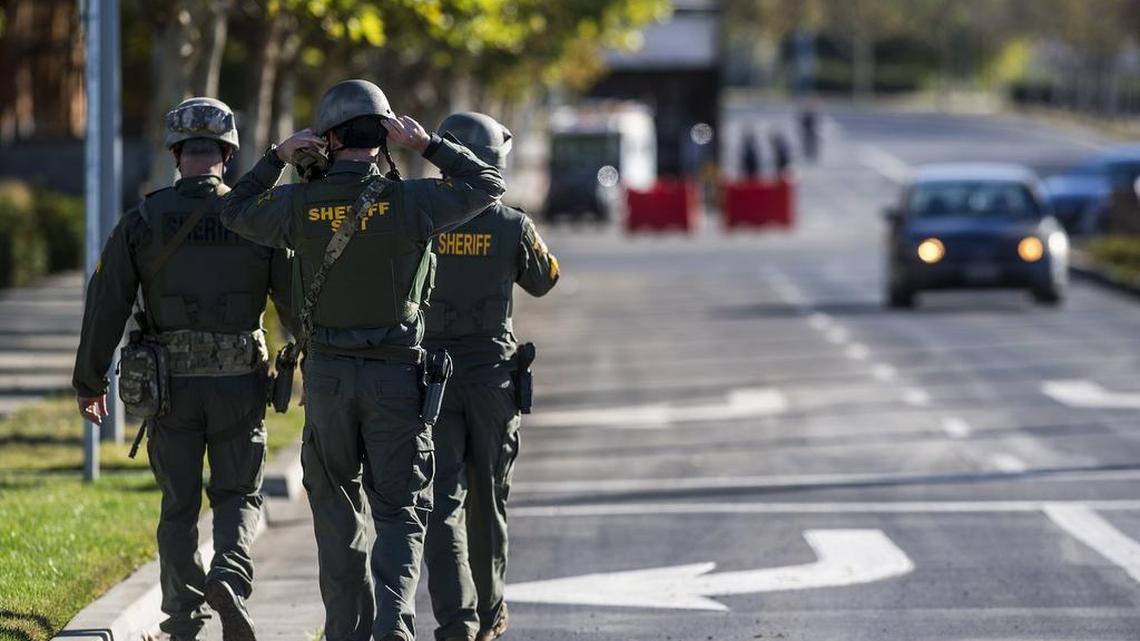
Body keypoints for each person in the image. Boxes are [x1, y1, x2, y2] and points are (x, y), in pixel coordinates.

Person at [220, 79, 505, 641]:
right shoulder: (414, 202)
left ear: (326, 138)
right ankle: (394, 624)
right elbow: (488, 184)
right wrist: (427, 145)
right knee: (399, 512)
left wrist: (277, 157)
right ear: (385, 136)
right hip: (396, 379)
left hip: (325, 381)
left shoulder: (295, 203)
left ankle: (345, 632)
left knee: (335, 511)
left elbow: (232, 209)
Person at [73, 97, 295, 641]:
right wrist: (309, 361)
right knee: (238, 495)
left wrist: (89, 380)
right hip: (241, 384)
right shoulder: (259, 217)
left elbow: (106, 303)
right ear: (228, 153)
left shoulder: (142, 220)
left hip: (167, 388)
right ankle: (229, 575)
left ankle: (182, 619)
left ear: (175, 153)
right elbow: (295, 302)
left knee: (178, 507)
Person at [422, 112, 560, 641]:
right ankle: (490, 612)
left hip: (431, 379)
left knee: (442, 503)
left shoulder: (424, 220)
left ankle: (454, 620)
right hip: (491, 379)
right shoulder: (511, 224)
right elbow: (545, 281)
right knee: (489, 500)